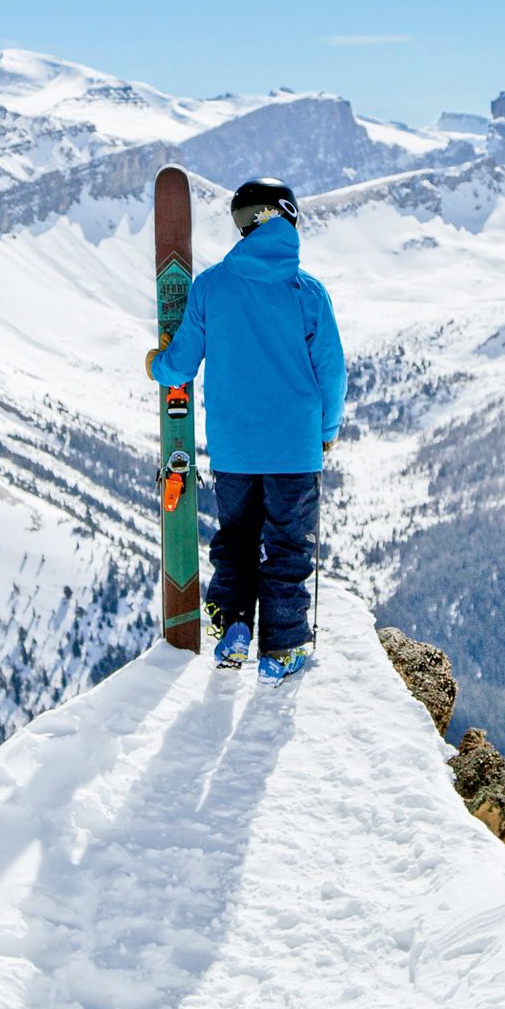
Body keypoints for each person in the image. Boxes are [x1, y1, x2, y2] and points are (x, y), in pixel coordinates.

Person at [145, 176, 347, 680]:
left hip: (234, 449)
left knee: (235, 538)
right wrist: (326, 429)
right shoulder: (308, 292)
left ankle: (235, 626)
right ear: (288, 216)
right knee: (287, 545)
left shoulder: (211, 286)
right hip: (295, 451)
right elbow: (332, 372)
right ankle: (280, 651)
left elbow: (181, 365)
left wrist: (157, 367)